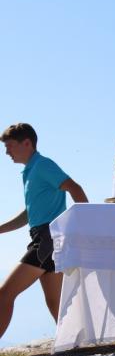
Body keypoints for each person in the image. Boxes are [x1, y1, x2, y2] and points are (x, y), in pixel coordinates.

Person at [0, 123, 88, 340]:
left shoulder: (42, 165)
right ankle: (76, 342)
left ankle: (76, 341)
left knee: (4, 294)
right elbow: (28, 215)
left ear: (27, 143)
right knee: (56, 303)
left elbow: (74, 188)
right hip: (45, 237)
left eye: (9, 146)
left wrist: (87, 224)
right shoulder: (29, 171)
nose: (6, 152)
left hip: (48, 238)